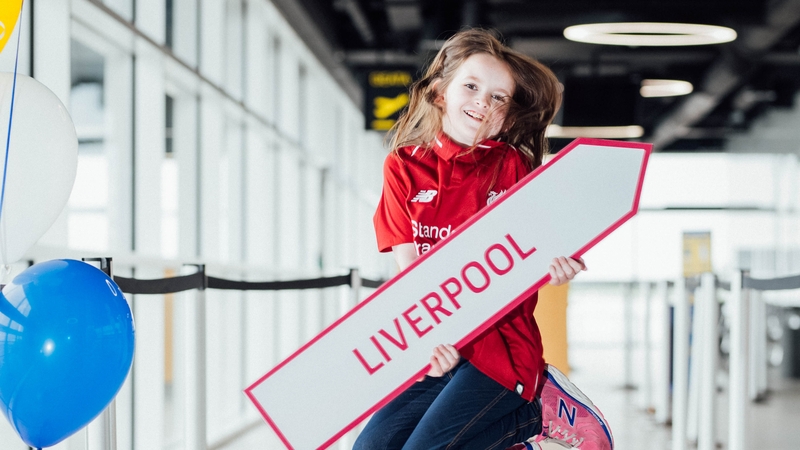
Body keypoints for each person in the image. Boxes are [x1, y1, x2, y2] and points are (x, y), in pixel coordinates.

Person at [354, 29, 613, 450]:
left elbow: (546, 246)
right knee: (369, 448)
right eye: (471, 87)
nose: (482, 102)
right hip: (441, 344)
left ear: (507, 117)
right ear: (440, 93)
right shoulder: (402, 167)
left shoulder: (513, 166)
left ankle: (532, 413)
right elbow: (410, 276)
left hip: (503, 348)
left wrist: (561, 267)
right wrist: (425, 339)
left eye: (498, 98)